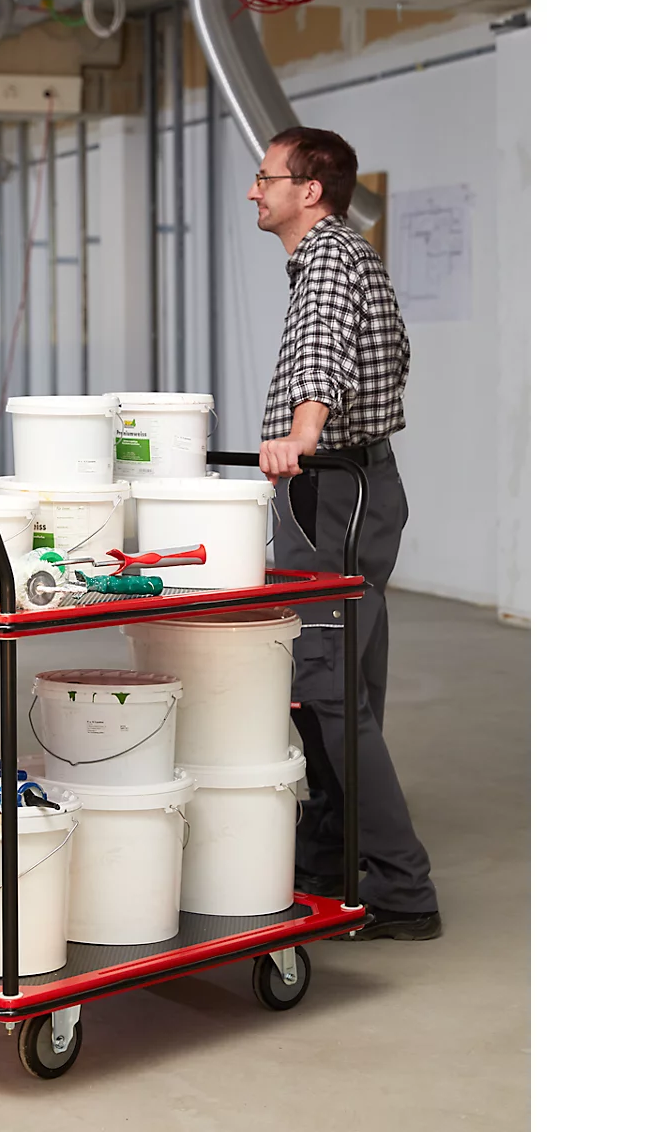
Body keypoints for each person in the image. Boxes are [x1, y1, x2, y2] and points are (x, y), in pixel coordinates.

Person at [249, 126, 441, 940]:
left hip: (331, 491)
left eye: (266, 178)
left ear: (309, 190)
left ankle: (402, 888)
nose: (255, 190)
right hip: (363, 485)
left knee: (328, 689)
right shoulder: (353, 255)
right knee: (341, 682)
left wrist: (302, 435)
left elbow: (323, 356)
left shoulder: (327, 258)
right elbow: (392, 359)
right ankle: (330, 855)